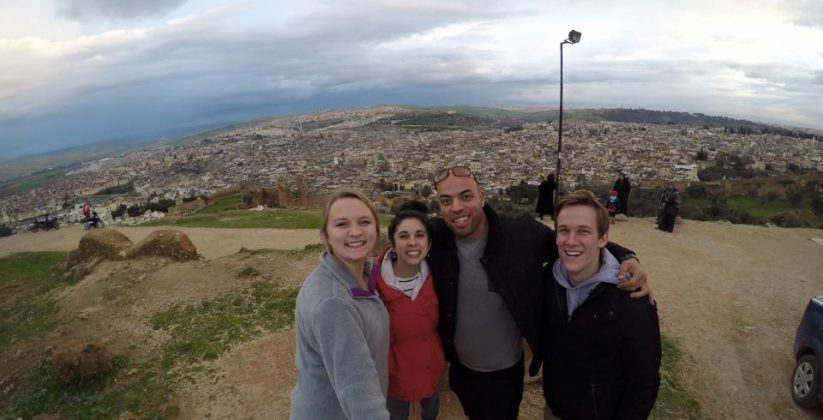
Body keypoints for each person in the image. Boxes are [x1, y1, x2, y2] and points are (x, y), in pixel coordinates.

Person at [427, 166, 649, 420]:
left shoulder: (521, 235)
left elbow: (570, 243)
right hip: (461, 368)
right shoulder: (436, 239)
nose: (456, 208)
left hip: (505, 371)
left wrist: (626, 256)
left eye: (465, 196)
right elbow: (404, 234)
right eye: (446, 201)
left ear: (482, 197)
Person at [544, 190, 661, 419]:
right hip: (555, 408)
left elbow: (643, 383)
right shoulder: (547, 280)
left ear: (603, 238)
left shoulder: (631, 300)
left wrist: (628, 258)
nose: (571, 241)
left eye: (583, 231)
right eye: (563, 230)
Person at [290, 190, 390, 420]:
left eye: (364, 222)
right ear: (326, 233)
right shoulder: (334, 303)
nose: (355, 232)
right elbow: (360, 395)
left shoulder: (359, 275)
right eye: (342, 224)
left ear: (376, 227)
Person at [372, 200, 445, 420]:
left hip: (430, 362)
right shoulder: (372, 283)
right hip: (394, 369)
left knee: (431, 408)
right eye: (403, 236)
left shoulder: (438, 276)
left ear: (429, 244)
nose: (412, 243)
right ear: (392, 244)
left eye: (420, 235)